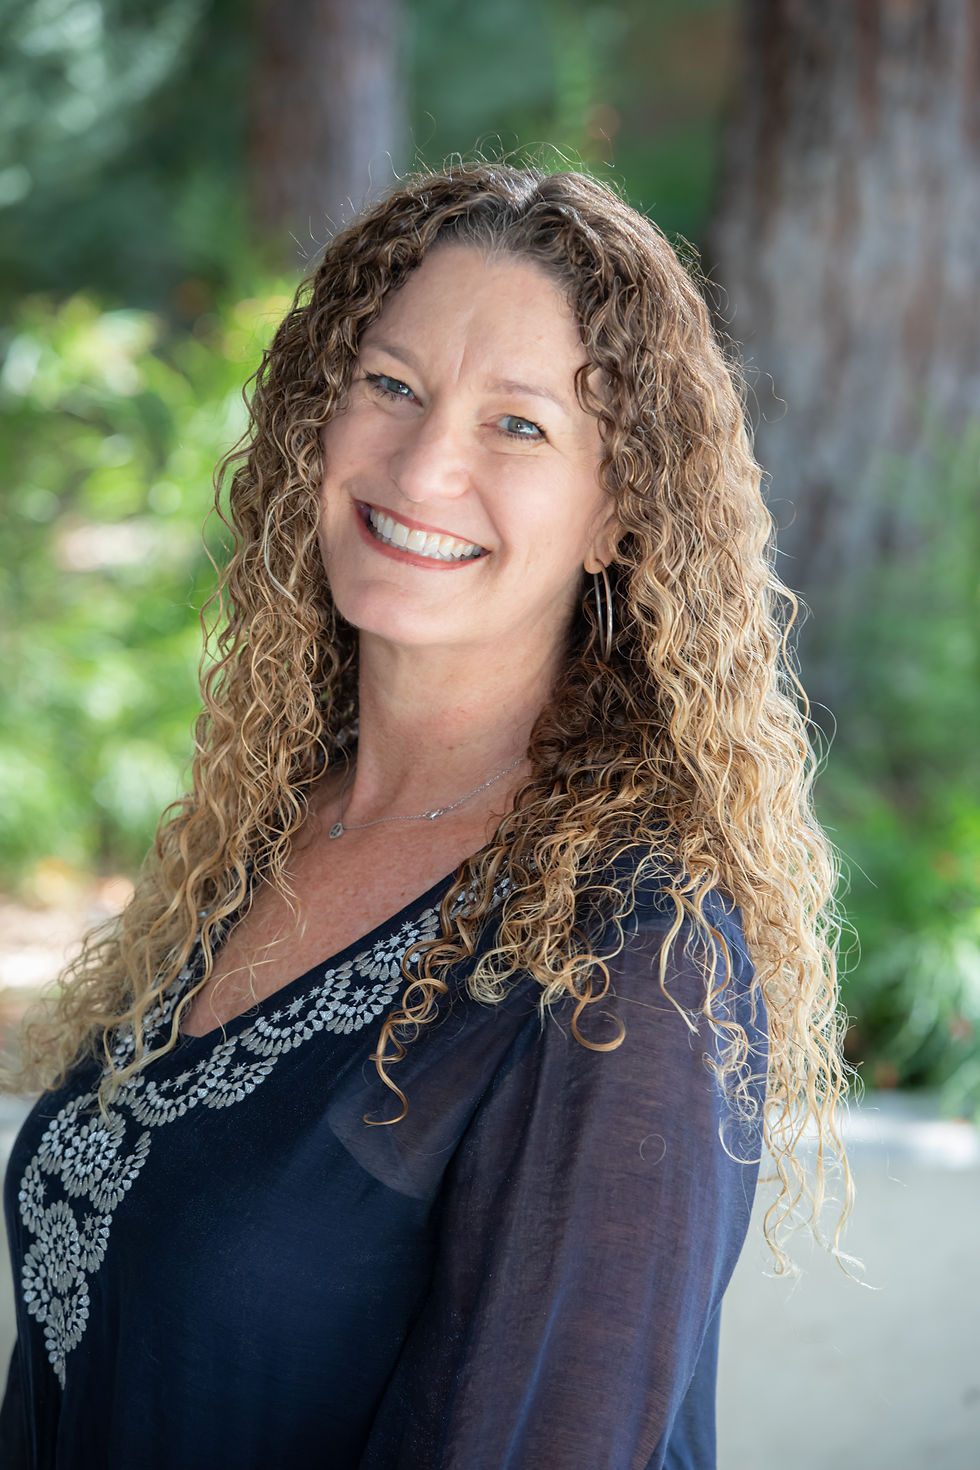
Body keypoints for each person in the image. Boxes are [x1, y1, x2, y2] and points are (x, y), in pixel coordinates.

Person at [0, 162, 848, 1469]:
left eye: (518, 426)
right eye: (391, 385)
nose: (424, 462)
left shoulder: (630, 952)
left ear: (617, 512)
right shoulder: (267, 823)